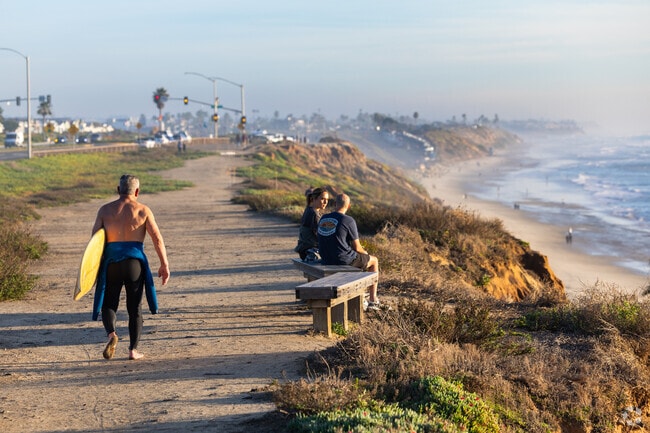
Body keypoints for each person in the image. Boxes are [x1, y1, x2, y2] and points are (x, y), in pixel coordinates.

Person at [91, 174, 170, 361]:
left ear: (118, 190)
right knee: (135, 308)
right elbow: (157, 238)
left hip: (112, 263)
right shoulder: (143, 210)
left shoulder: (105, 210)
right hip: (135, 263)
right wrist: (164, 264)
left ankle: (112, 335)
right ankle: (133, 350)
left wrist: (92, 269)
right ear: (137, 191)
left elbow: (94, 242)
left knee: (109, 303)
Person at [317, 193, 381, 310]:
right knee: (374, 261)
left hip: (326, 259)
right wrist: (366, 254)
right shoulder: (348, 220)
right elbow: (357, 248)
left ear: (335, 204)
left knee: (356, 257)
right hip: (342, 260)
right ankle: (373, 300)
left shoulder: (324, 218)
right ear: (349, 206)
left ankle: (361, 294)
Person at [294, 187, 329, 260]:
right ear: (314, 199)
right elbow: (321, 236)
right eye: (322, 199)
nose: (325, 202)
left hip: (304, 250)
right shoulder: (314, 214)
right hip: (311, 252)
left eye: (327, 200)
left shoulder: (309, 210)